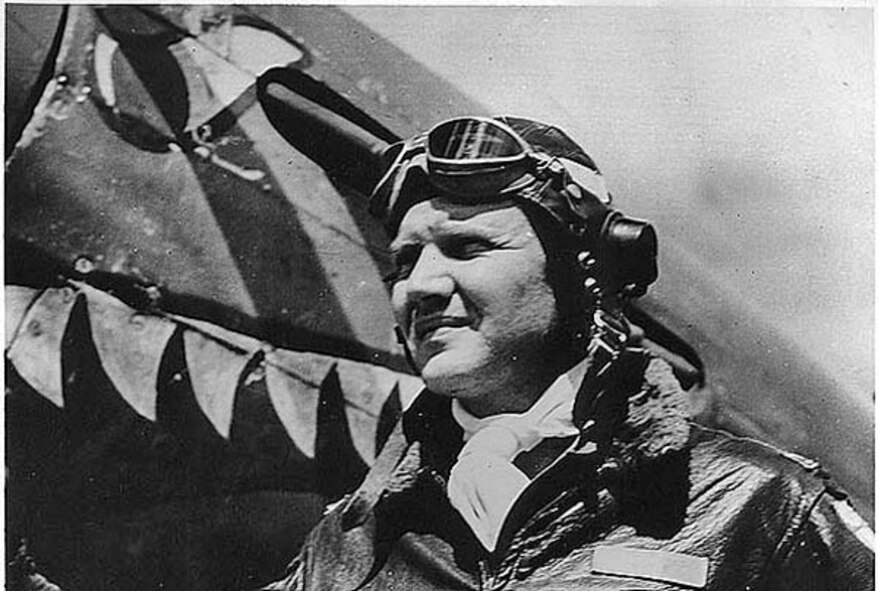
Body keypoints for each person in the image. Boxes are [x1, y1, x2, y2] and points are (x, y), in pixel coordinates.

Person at [264, 116, 873, 590]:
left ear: (585, 273)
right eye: (404, 261)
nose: (418, 285)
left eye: (468, 247)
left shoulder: (759, 504)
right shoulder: (347, 544)